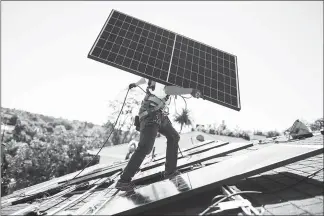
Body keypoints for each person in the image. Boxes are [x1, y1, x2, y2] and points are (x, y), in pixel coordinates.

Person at [115, 78, 202, 191]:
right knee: (145, 147)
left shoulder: (157, 75)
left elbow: (145, 79)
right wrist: (190, 91)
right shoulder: (161, 79)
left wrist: (136, 84)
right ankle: (123, 181)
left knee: (173, 136)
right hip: (150, 114)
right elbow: (168, 90)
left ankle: (170, 172)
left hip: (159, 115)